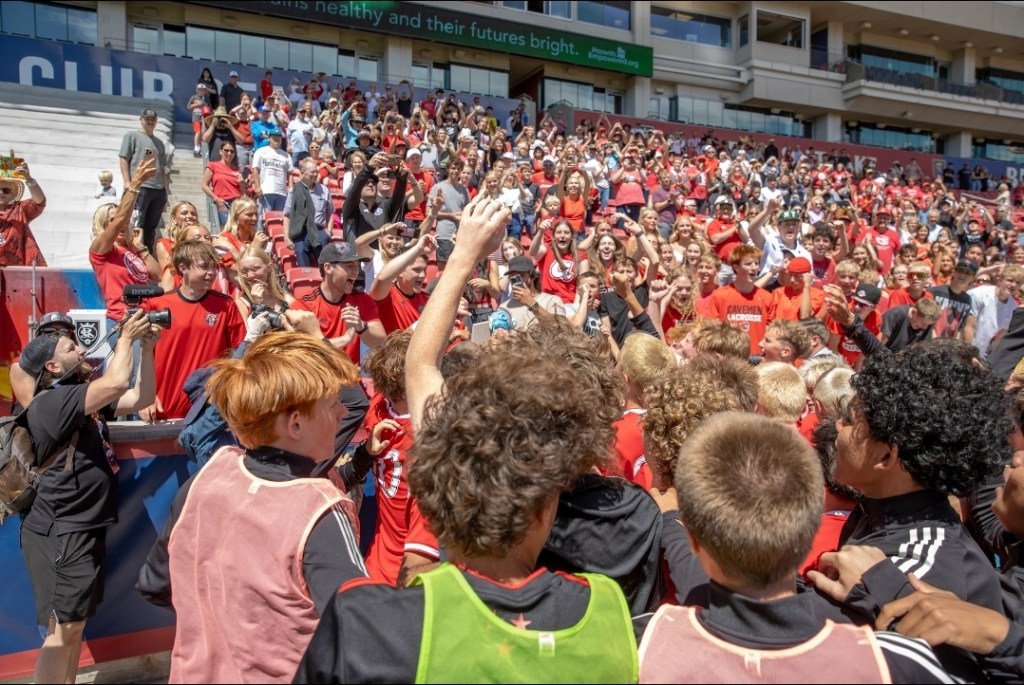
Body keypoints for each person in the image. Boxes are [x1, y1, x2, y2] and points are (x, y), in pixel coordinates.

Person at [296, 196, 639, 683]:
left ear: (440, 493)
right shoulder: (611, 614)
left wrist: (462, 256)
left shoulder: (366, 622)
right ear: (548, 502)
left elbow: (420, 364)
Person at [138, 332, 395, 683]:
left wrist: (228, 624)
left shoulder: (210, 475)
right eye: (333, 403)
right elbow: (365, 634)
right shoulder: (322, 508)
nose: (343, 412)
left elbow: (155, 583)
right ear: (295, 424)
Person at [639, 413, 953, 683]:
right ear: (811, 529)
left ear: (693, 540)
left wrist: (671, 523)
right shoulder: (897, 662)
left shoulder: (642, 643)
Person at [807, 343, 1011, 678]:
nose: (837, 428)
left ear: (886, 457)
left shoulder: (915, 565)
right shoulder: (878, 508)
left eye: (850, 421)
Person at [17, 309, 160, 684]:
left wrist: (146, 350)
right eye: (71, 348)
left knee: (72, 630)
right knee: (60, 634)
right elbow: (116, 383)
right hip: (61, 531)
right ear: (52, 366)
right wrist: (125, 338)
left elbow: (140, 396)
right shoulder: (53, 401)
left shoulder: (81, 400)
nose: (82, 350)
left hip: (81, 528)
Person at [141, 240, 246, 420]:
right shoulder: (158, 304)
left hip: (210, 411)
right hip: (164, 408)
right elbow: (143, 354)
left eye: (214, 267)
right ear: (183, 268)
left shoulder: (226, 305)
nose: (211, 273)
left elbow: (238, 355)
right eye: (204, 267)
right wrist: (145, 395)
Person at [88, 159, 161, 337]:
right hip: (122, 320)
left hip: (146, 319)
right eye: (111, 220)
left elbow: (158, 276)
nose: (122, 224)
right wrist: (135, 183)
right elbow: (121, 219)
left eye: (125, 222)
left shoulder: (132, 249)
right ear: (103, 224)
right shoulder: (100, 249)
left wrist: (140, 247)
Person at [292, 241, 385, 364]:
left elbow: (381, 341)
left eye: (357, 266)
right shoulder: (304, 305)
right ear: (328, 268)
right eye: (350, 266)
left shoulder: (362, 299)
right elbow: (304, 352)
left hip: (350, 373)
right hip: (318, 373)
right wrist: (345, 339)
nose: (356, 271)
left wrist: (361, 326)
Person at [706, 245, 775, 356]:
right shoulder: (720, 295)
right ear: (736, 267)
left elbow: (771, 330)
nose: (754, 268)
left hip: (758, 357)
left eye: (756, 263)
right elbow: (712, 330)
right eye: (748, 264)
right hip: (729, 356)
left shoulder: (767, 297)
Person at [118, 108, 169, 254]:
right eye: (147, 119)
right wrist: (127, 182)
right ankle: (132, 253)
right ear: (141, 120)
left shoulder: (159, 143)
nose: (150, 121)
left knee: (151, 226)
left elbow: (162, 167)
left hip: (158, 189)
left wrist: (165, 188)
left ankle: (148, 255)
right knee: (136, 223)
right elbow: (124, 158)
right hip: (140, 186)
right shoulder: (132, 136)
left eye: (153, 119)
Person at [368, 234, 435, 334]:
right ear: (400, 271)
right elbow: (382, 279)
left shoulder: (427, 299)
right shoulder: (387, 296)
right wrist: (418, 249)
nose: (422, 275)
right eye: (416, 270)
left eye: (424, 269)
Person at [284, 159, 332, 267]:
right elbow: (287, 215)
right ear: (302, 174)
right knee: (302, 261)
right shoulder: (294, 191)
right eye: (312, 172)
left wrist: (329, 231)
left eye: (316, 172)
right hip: (301, 232)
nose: (315, 174)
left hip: (319, 231)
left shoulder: (324, 190)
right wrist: (286, 237)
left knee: (325, 266)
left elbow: (330, 212)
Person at [969, 265, 1024, 358]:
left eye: (1018, 282)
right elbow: (969, 326)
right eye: (1010, 280)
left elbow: (1000, 336)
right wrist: (969, 354)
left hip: (982, 356)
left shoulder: (1013, 307)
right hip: (965, 349)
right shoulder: (979, 294)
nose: (1013, 285)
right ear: (1000, 280)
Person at [0, 159, 47, 266]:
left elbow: (39, 202)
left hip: (17, 270)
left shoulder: (20, 209)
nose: (1, 193)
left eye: (6, 190)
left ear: (12, 195)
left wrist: (28, 178)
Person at [929, 259, 978, 341]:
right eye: (960, 271)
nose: (963, 275)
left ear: (973, 278)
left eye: (968, 273)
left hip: (949, 345)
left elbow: (959, 328)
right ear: (954, 272)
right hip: (929, 342)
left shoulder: (967, 300)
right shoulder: (934, 292)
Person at [201, 141, 245, 228]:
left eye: (232, 151)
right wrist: (216, 199)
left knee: (238, 229)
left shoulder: (237, 170)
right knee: (228, 228)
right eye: (226, 150)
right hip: (224, 203)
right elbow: (204, 185)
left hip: (237, 203)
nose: (229, 153)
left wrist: (242, 184)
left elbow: (243, 193)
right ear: (220, 151)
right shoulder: (213, 165)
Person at [251, 129, 292, 215]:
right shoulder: (261, 151)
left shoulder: (287, 156)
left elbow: (290, 174)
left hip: (282, 192)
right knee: (264, 218)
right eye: (274, 138)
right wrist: (257, 187)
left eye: (278, 138)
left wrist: (291, 190)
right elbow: (255, 170)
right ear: (269, 138)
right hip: (266, 191)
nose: (276, 140)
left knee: (279, 218)